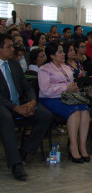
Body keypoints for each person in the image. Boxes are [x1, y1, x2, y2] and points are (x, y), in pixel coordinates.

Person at [0, 34, 52, 181]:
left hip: (20, 103)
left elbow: (26, 86)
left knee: (45, 115)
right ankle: (16, 164)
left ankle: (24, 152)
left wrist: (32, 101)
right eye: (9, 46)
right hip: (4, 106)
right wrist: (15, 107)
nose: (13, 49)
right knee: (5, 117)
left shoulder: (14, 64)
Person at [38, 42, 90, 164]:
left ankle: (82, 146)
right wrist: (65, 88)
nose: (63, 54)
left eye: (63, 51)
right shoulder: (44, 69)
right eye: (60, 52)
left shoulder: (66, 67)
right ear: (52, 55)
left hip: (67, 97)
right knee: (74, 110)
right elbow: (45, 90)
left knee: (84, 108)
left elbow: (69, 84)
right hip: (50, 99)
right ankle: (73, 146)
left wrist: (74, 87)